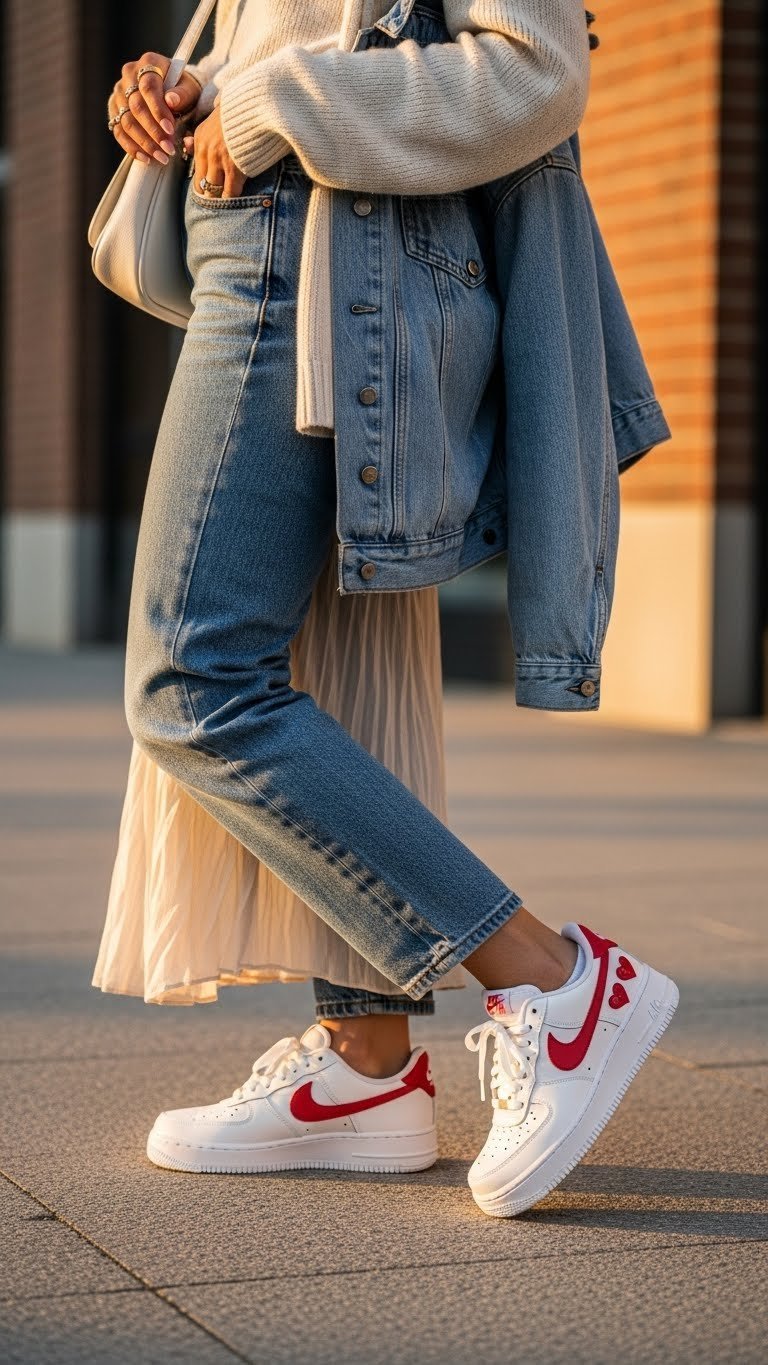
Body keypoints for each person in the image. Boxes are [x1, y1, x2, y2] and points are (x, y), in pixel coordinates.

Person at [100, 0, 678, 1218]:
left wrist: (268, 105)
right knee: (327, 666)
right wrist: (180, 82)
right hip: (259, 253)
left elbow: (537, 70)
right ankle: (369, 1070)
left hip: (303, 254)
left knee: (192, 681)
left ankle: (559, 980)